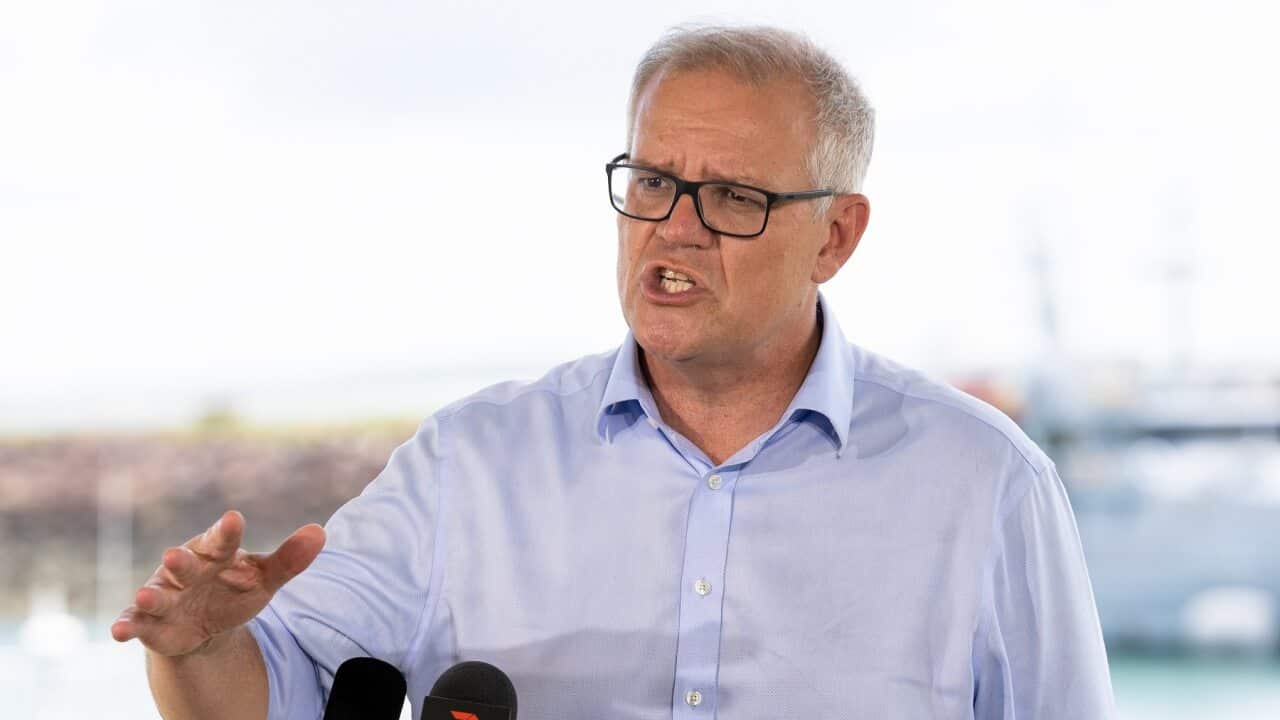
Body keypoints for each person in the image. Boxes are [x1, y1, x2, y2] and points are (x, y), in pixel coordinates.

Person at [112, 24, 1118, 719]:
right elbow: (275, 690)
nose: (672, 229)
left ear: (835, 236)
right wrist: (198, 652)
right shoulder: (473, 463)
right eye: (649, 181)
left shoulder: (985, 485)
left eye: (730, 196)